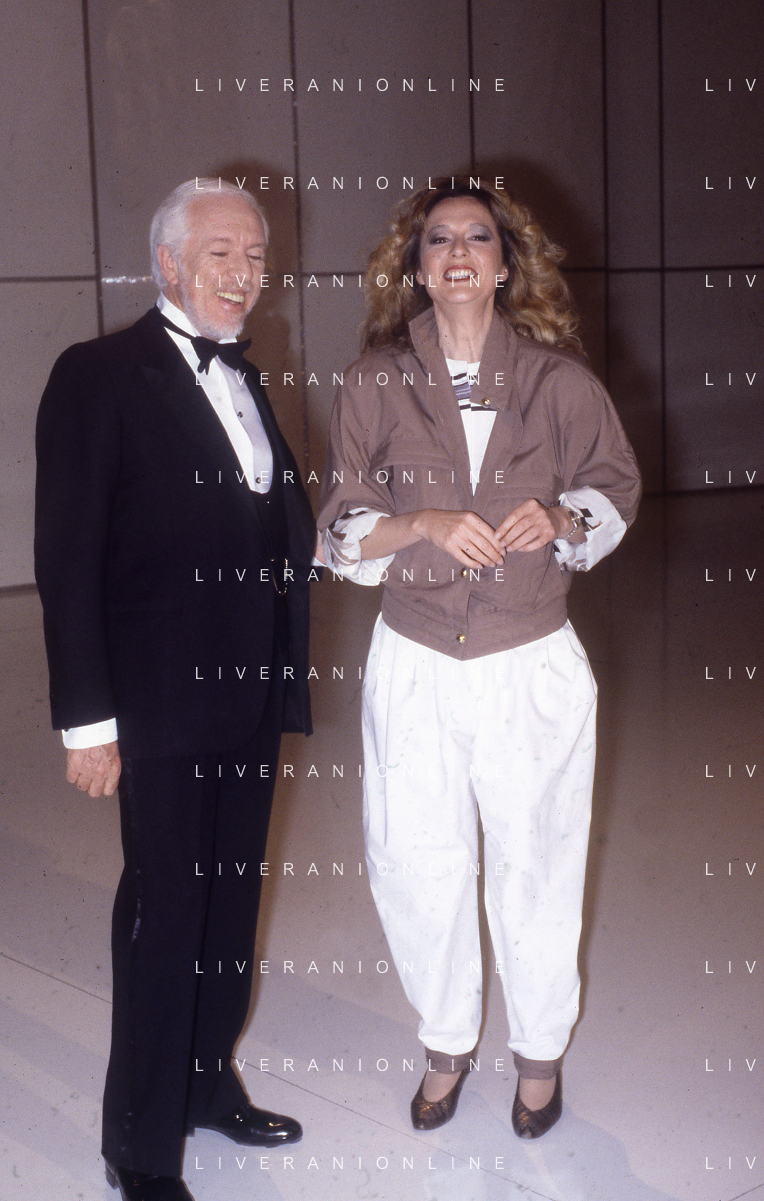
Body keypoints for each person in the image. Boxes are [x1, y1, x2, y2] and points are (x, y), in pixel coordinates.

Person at [318, 177, 641, 1140]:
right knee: (415, 860)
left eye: (478, 238)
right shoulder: (374, 381)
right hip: (414, 660)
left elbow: (614, 489)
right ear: (416, 268)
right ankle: (447, 1038)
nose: (458, 252)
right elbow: (340, 525)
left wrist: (563, 515)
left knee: (538, 859)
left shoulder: (561, 383)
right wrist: (419, 521)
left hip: (527, 661)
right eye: (438, 239)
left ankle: (539, 1052)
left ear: (505, 265)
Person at [35, 178, 316, 1201]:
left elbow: (267, 524)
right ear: (168, 262)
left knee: (230, 900)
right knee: (166, 912)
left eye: (256, 257)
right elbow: (67, 559)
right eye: (221, 255)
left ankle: (206, 1083)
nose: (245, 275)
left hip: (247, 692)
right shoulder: (99, 374)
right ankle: (141, 1144)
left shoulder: (244, 374)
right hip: (156, 703)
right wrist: (87, 722)